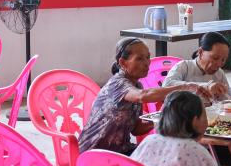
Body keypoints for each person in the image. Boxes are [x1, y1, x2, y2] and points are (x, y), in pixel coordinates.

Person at [78, 37, 211, 157]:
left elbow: (137, 129)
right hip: (95, 154)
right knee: (163, 158)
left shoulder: (137, 85)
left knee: (167, 154)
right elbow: (143, 96)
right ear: (123, 63)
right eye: (140, 59)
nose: (147, 63)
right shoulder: (118, 84)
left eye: (148, 57)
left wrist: (162, 117)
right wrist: (185, 87)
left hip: (120, 151)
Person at [163, 32, 231, 166]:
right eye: (215, 58)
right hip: (185, 132)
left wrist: (230, 139)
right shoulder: (184, 67)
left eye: (223, 60)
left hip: (211, 130)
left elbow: (227, 106)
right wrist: (202, 87)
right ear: (201, 52)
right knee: (225, 159)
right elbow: (166, 87)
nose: (219, 64)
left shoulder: (219, 74)